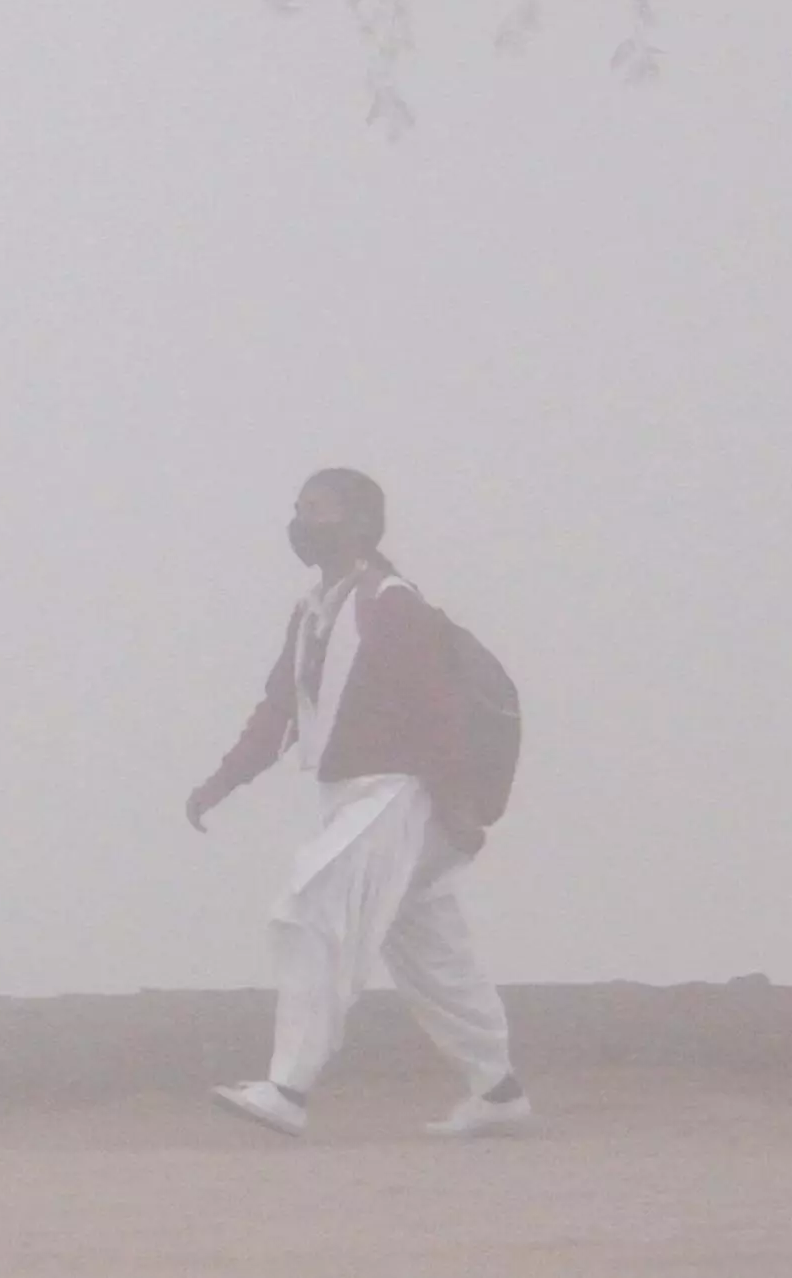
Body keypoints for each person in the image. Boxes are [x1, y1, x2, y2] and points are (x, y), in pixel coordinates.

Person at [182, 466, 532, 1139]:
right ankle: (499, 1090)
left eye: (317, 511)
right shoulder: (314, 612)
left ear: (362, 524)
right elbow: (281, 711)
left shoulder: (391, 604)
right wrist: (222, 783)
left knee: (310, 910)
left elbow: (436, 710)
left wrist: (457, 805)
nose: (301, 524)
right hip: (356, 796)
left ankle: (288, 1088)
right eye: (298, 510)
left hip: (397, 793)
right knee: (431, 951)